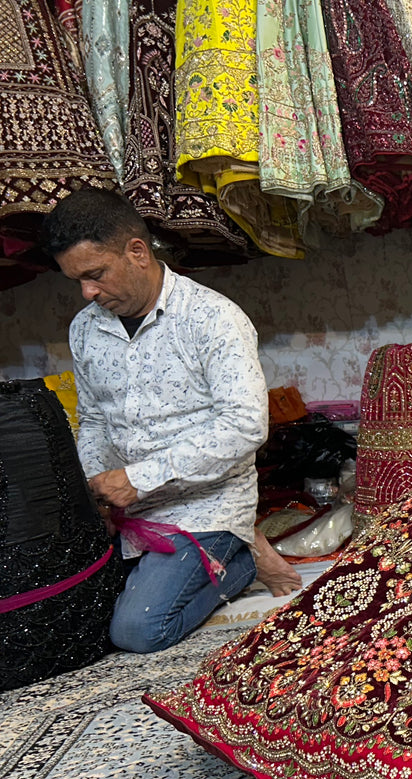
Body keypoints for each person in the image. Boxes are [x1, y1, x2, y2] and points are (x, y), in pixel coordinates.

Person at [41, 187, 300, 654]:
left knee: (137, 631)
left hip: (205, 505)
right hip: (129, 508)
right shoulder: (85, 328)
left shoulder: (212, 318)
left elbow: (245, 425)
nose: (87, 292)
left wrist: (139, 479)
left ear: (137, 251)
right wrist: (99, 487)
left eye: (95, 275)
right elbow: (94, 419)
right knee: (71, 616)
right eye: (76, 280)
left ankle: (240, 553)